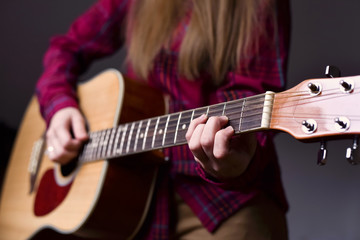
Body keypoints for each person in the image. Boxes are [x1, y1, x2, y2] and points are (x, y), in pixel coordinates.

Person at [36, 0, 291, 239]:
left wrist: (232, 156)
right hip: (132, 198)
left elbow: (251, 100)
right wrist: (59, 107)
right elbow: (66, 48)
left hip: (224, 204)